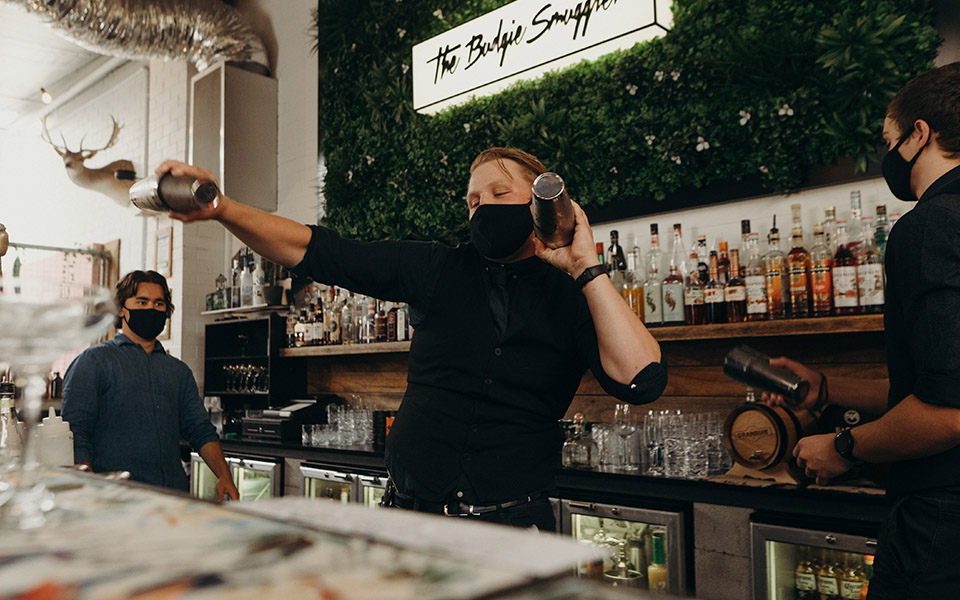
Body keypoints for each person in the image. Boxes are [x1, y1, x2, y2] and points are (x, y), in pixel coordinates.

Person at [156, 147, 666, 530]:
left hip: (512, 527)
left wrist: (586, 267)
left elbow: (641, 379)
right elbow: (319, 250)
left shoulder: (576, 292)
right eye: (472, 200)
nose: (481, 207)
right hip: (410, 518)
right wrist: (222, 207)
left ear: (541, 204)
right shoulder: (436, 267)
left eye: (498, 193)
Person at [766, 62, 960, 599]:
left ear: (921, 133)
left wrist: (845, 446)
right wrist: (826, 390)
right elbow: (937, 381)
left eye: (890, 139)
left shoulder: (932, 224)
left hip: (943, 522)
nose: (889, 155)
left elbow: (949, 412)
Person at [62, 270, 238, 500]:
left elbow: (200, 430)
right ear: (122, 309)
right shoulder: (92, 362)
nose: (151, 309)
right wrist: (86, 487)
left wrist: (224, 475)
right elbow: (75, 432)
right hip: (113, 496)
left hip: (172, 496)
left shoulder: (179, 371)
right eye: (142, 302)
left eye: (159, 303)